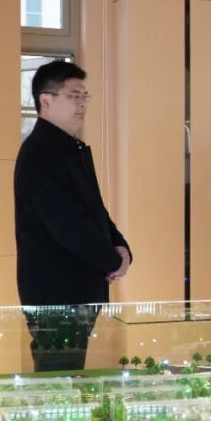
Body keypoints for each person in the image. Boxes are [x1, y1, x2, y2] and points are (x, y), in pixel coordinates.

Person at [15, 62, 132, 371]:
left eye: (84, 96)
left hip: (75, 286)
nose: (82, 104)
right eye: (73, 96)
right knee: (57, 374)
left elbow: (94, 210)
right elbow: (66, 224)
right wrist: (111, 259)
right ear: (45, 100)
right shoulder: (41, 151)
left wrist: (121, 247)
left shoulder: (70, 147)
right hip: (56, 288)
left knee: (68, 371)